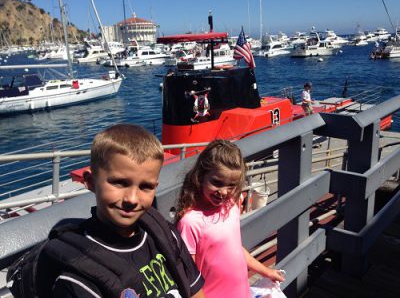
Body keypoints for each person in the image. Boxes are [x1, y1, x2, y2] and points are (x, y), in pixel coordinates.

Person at [41, 124, 205, 298]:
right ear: (90, 181)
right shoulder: (78, 275)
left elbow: (195, 292)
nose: (132, 199)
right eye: (119, 183)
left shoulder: (164, 234)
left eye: (146, 187)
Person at [175, 140, 285, 298]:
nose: (224, 192)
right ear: (200, 177)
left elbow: (236, 250)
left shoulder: (231, 206)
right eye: (217, 183)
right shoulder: (190, 222)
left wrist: (266, 272)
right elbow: (188, 277)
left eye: (231, 186)